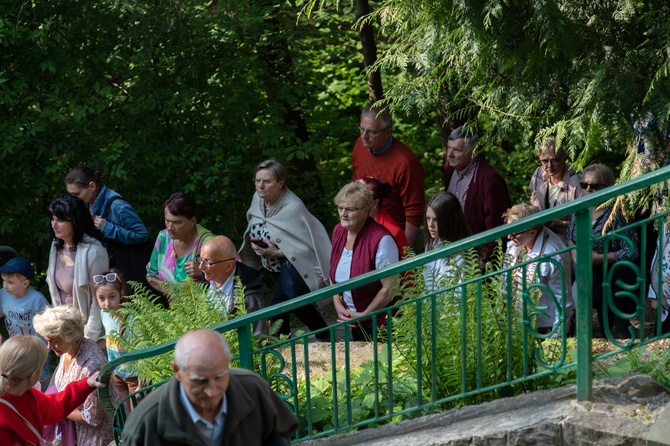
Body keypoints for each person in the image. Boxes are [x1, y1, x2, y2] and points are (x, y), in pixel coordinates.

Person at [120, 329, 299, 446]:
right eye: (200, 381)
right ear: (177, 370)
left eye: (220, 376)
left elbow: (278, 436)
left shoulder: (252, 389)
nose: (213, 391)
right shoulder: (144, 425)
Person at [239, 160, 329, 340]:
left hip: (293, 265)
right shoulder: (258, 199)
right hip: (271, 266)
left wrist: (279, 253)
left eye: (267, 181)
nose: (261, 186)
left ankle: (323, 334)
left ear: (281, 182)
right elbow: (255, 222)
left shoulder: (293, 206)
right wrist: (254, 243)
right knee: (286, 305)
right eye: (257, 181)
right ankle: (290, 341)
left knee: (286, 303)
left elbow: (308, 245)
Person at [566, 163, 639, 339]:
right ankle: (577, 330)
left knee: (609, 277)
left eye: (594, 186)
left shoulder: (617, 212)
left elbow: (631, 250)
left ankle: (617, 326)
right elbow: (569, 237)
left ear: (607, 187)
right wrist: (575, 253)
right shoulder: (578, 209)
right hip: (584, 267)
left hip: (611, 269)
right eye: (584, 185)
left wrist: (599, 257)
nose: (588, 189)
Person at [0, 335, 104, 445]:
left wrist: (87, 383)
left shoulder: (26, 394)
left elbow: (53, 406)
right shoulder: (3, 429)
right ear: (34, 375)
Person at [33, 306, 114, 446]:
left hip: (92, 437)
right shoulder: (68, 349)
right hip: (72, 429)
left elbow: (91, 418)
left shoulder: (92, 365)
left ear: (70, 337)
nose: (49, 346)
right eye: (48, 340)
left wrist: (56, 407)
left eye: (53, 341)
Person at [330, 182, 400, 341]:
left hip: (381, 324)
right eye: (340, 208)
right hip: (354, 321)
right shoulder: (339, 231)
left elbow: (391, 287)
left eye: (350, 209)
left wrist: (365, 314)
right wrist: (337, 304)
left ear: (366, 210)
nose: (343, 214)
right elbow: (332, 272)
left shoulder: (382, 239)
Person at [352, 105, 425, 247]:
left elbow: (414, 211)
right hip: (362, 231)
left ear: (388, 132)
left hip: (392, 236)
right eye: (362, 129)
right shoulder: (359, 146)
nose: (364, 136)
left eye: (372, 132)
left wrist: (404, 251)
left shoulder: (405, 162)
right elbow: (354, 188)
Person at [65, 167, 151, 285]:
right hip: (109, 270)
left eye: (76, 194)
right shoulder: (86, 203)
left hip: (129, 272)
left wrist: (108, 227)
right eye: (71, 195)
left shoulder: (117, 206)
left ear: (92, 186)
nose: (73, 199)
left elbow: (142, 235)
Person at [503, 203, 574, 336]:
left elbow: (563, 303)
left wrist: (554, 341)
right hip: (518, 323)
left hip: (545, 329)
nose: (509, 237)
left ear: (532, 233)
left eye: (513, 234)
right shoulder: (515, 245)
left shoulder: (553, 255)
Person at [443, 126, 511, 264]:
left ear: (473, 151)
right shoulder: (450, 170)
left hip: (477, 260)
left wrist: (486, 260)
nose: (449, 154)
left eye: (456, 150)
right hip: (453, 253)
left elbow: (497, 226)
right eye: (448, 148)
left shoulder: (489, 181)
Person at [46, 195, 108, 342]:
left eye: (60, 220)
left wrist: (89, 337)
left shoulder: (95, 252)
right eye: (53, 219)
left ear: (75, 221)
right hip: (63, 330)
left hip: (86, 333)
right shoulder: (56, 246)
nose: (54, 225)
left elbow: (98, 300)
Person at [147, 192, 213, 296]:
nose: (170, 227)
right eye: (167, 220)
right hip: (175, 310)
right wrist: (173, 293)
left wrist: (205, 273)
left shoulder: (209, 243)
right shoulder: (163, 238)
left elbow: (235, 275)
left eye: (177, 222)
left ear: (192, 220)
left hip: (208, 311)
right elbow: (151, 276)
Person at [198, 236, 267, 335]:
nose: (201, 267)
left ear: (229, 265)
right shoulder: (207, 279)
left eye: (207, 262)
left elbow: (260, 339)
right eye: (200, 260)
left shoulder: (251, 295)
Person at [94, 269, 141, 409]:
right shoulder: (104, 314)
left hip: (134, 375)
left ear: (121, 293)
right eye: (101, 298)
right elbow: (109, 339)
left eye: (112, 297)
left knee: (136, 413)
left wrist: (141, 384)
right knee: (124, 411)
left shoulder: (132, 318)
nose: (107, 303)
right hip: (117, 372)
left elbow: (143, 350)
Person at [528, 137, 581, 240]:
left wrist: (562, 223)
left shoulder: (575, 181)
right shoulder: (538, 174)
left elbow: (587, 220)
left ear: (564, 157)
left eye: (555, 160)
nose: (549, 166)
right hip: (542, 236)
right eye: (544, 161)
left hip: (569, 240)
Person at [423, 192, 472, 292]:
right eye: (428, 218)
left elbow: (461, 298)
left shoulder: (464, 254)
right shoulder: (431, 245)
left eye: (436, 220)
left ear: (449, 221)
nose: (430, 225)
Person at [357, 177, 410, 260]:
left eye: (361, 198)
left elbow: (408, 271)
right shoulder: (351, 222)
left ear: (375, 203)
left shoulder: (393, 232)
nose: (353, 201)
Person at [0, 257, 50, 339]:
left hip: (37, 346)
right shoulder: (2, 294)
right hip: (16, 344)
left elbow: (49, 323)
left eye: (10, 282)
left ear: (25, 284)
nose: (5, 286)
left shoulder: (37, 299)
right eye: (3, 280)